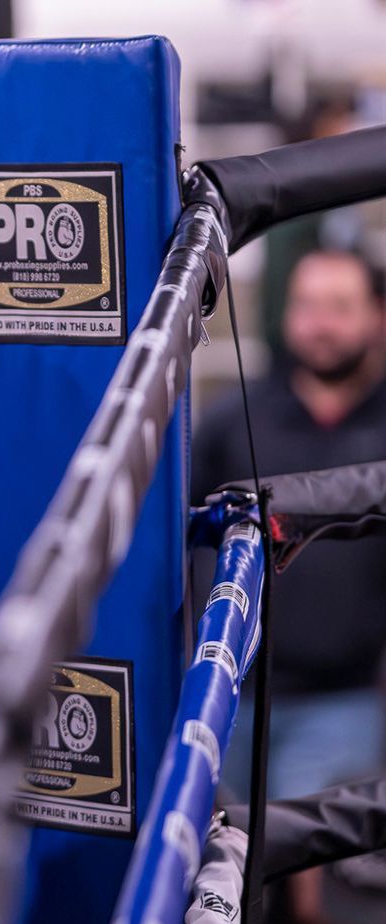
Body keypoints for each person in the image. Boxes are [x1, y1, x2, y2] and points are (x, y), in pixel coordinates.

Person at [194, 247, 386, 802]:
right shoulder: (235, 420)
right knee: (218, 867)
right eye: (306, 305)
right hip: (228, 694)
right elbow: (176, 541)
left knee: (312, 873)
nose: (320, 324)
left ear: (376, 313)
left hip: (345, 698)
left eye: (339, 306)